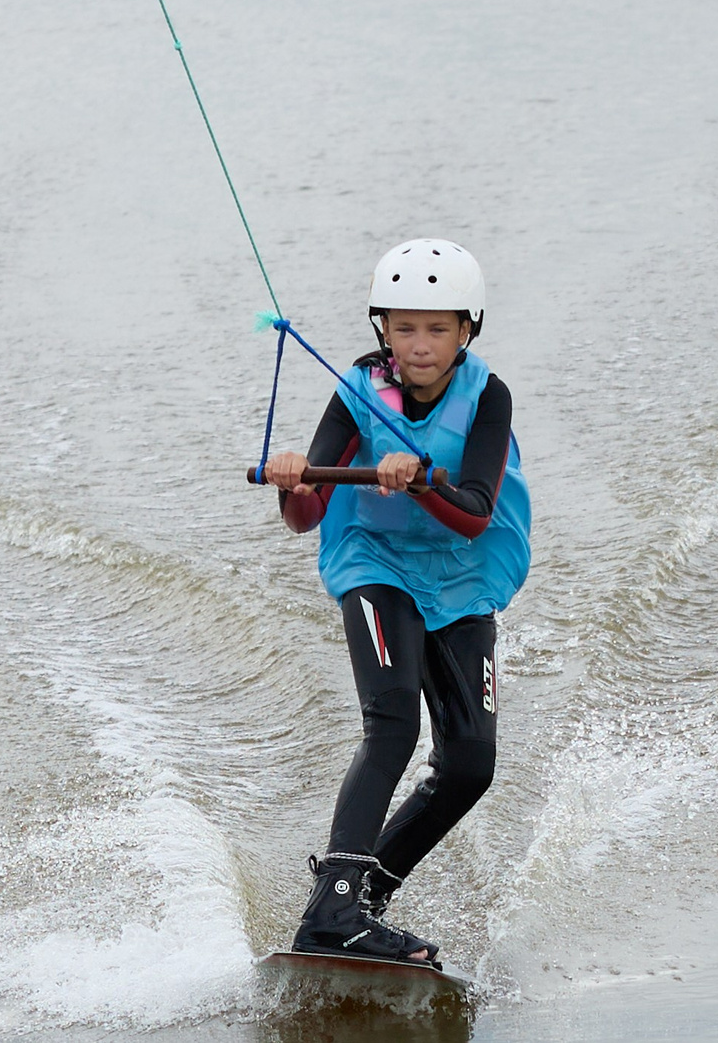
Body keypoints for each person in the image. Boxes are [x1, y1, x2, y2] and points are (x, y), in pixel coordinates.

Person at [261, 238, 530, 967]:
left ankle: (355, 906)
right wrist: (294, 480)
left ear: (467, 330)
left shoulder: (488, 396)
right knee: (392, 724)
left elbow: (475, 508)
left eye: (438, 329)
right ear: (382, 327)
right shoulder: (357, 386)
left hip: (460, 577)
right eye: (404, 327)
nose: (419, 346)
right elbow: (307, 514)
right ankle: (339, 908)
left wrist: (419, 478)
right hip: (375, 566)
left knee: (471, 763)